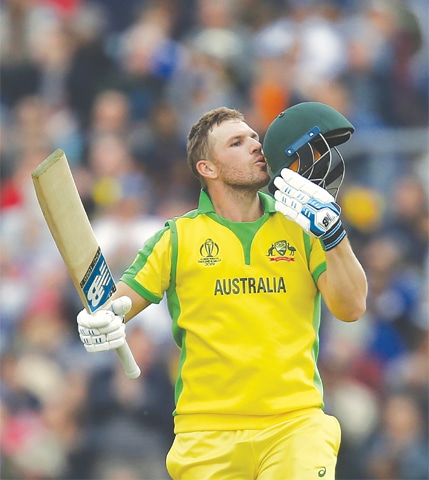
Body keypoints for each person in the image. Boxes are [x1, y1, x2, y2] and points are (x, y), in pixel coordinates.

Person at [77, 104, 367, 479]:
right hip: (205, 432)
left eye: (254, 138)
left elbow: (352, 307)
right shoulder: (177, 237)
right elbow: (116, 304)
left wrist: (333, 233)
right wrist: (99, 319)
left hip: (295, 424)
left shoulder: (303, 226)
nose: (256, 146)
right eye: (236, 142)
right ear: (207, 168)